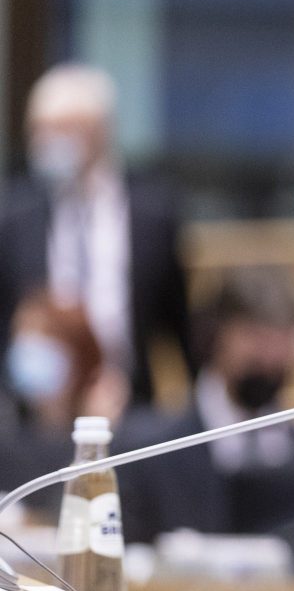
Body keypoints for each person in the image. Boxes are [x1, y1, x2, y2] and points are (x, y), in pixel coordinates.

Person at [119, 266, 294, 561]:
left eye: (283, 339)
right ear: (215, 336)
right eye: (256, 337)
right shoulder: (147, 451)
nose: (270, 357)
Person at [0, 64, 193, 407]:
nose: (46, 142)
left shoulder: (152, 214)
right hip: (35, 411)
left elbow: (179, 320)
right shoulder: (14, 215)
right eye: (38, 130)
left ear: (101, 130)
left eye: (61, 129)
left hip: (130, 403)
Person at [0, 293, 128, 516]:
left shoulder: (121, 439)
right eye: (22, 337)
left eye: (43, 340)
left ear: (78, 354)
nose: (29, 352)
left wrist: (94, 437)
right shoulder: (8, 441)